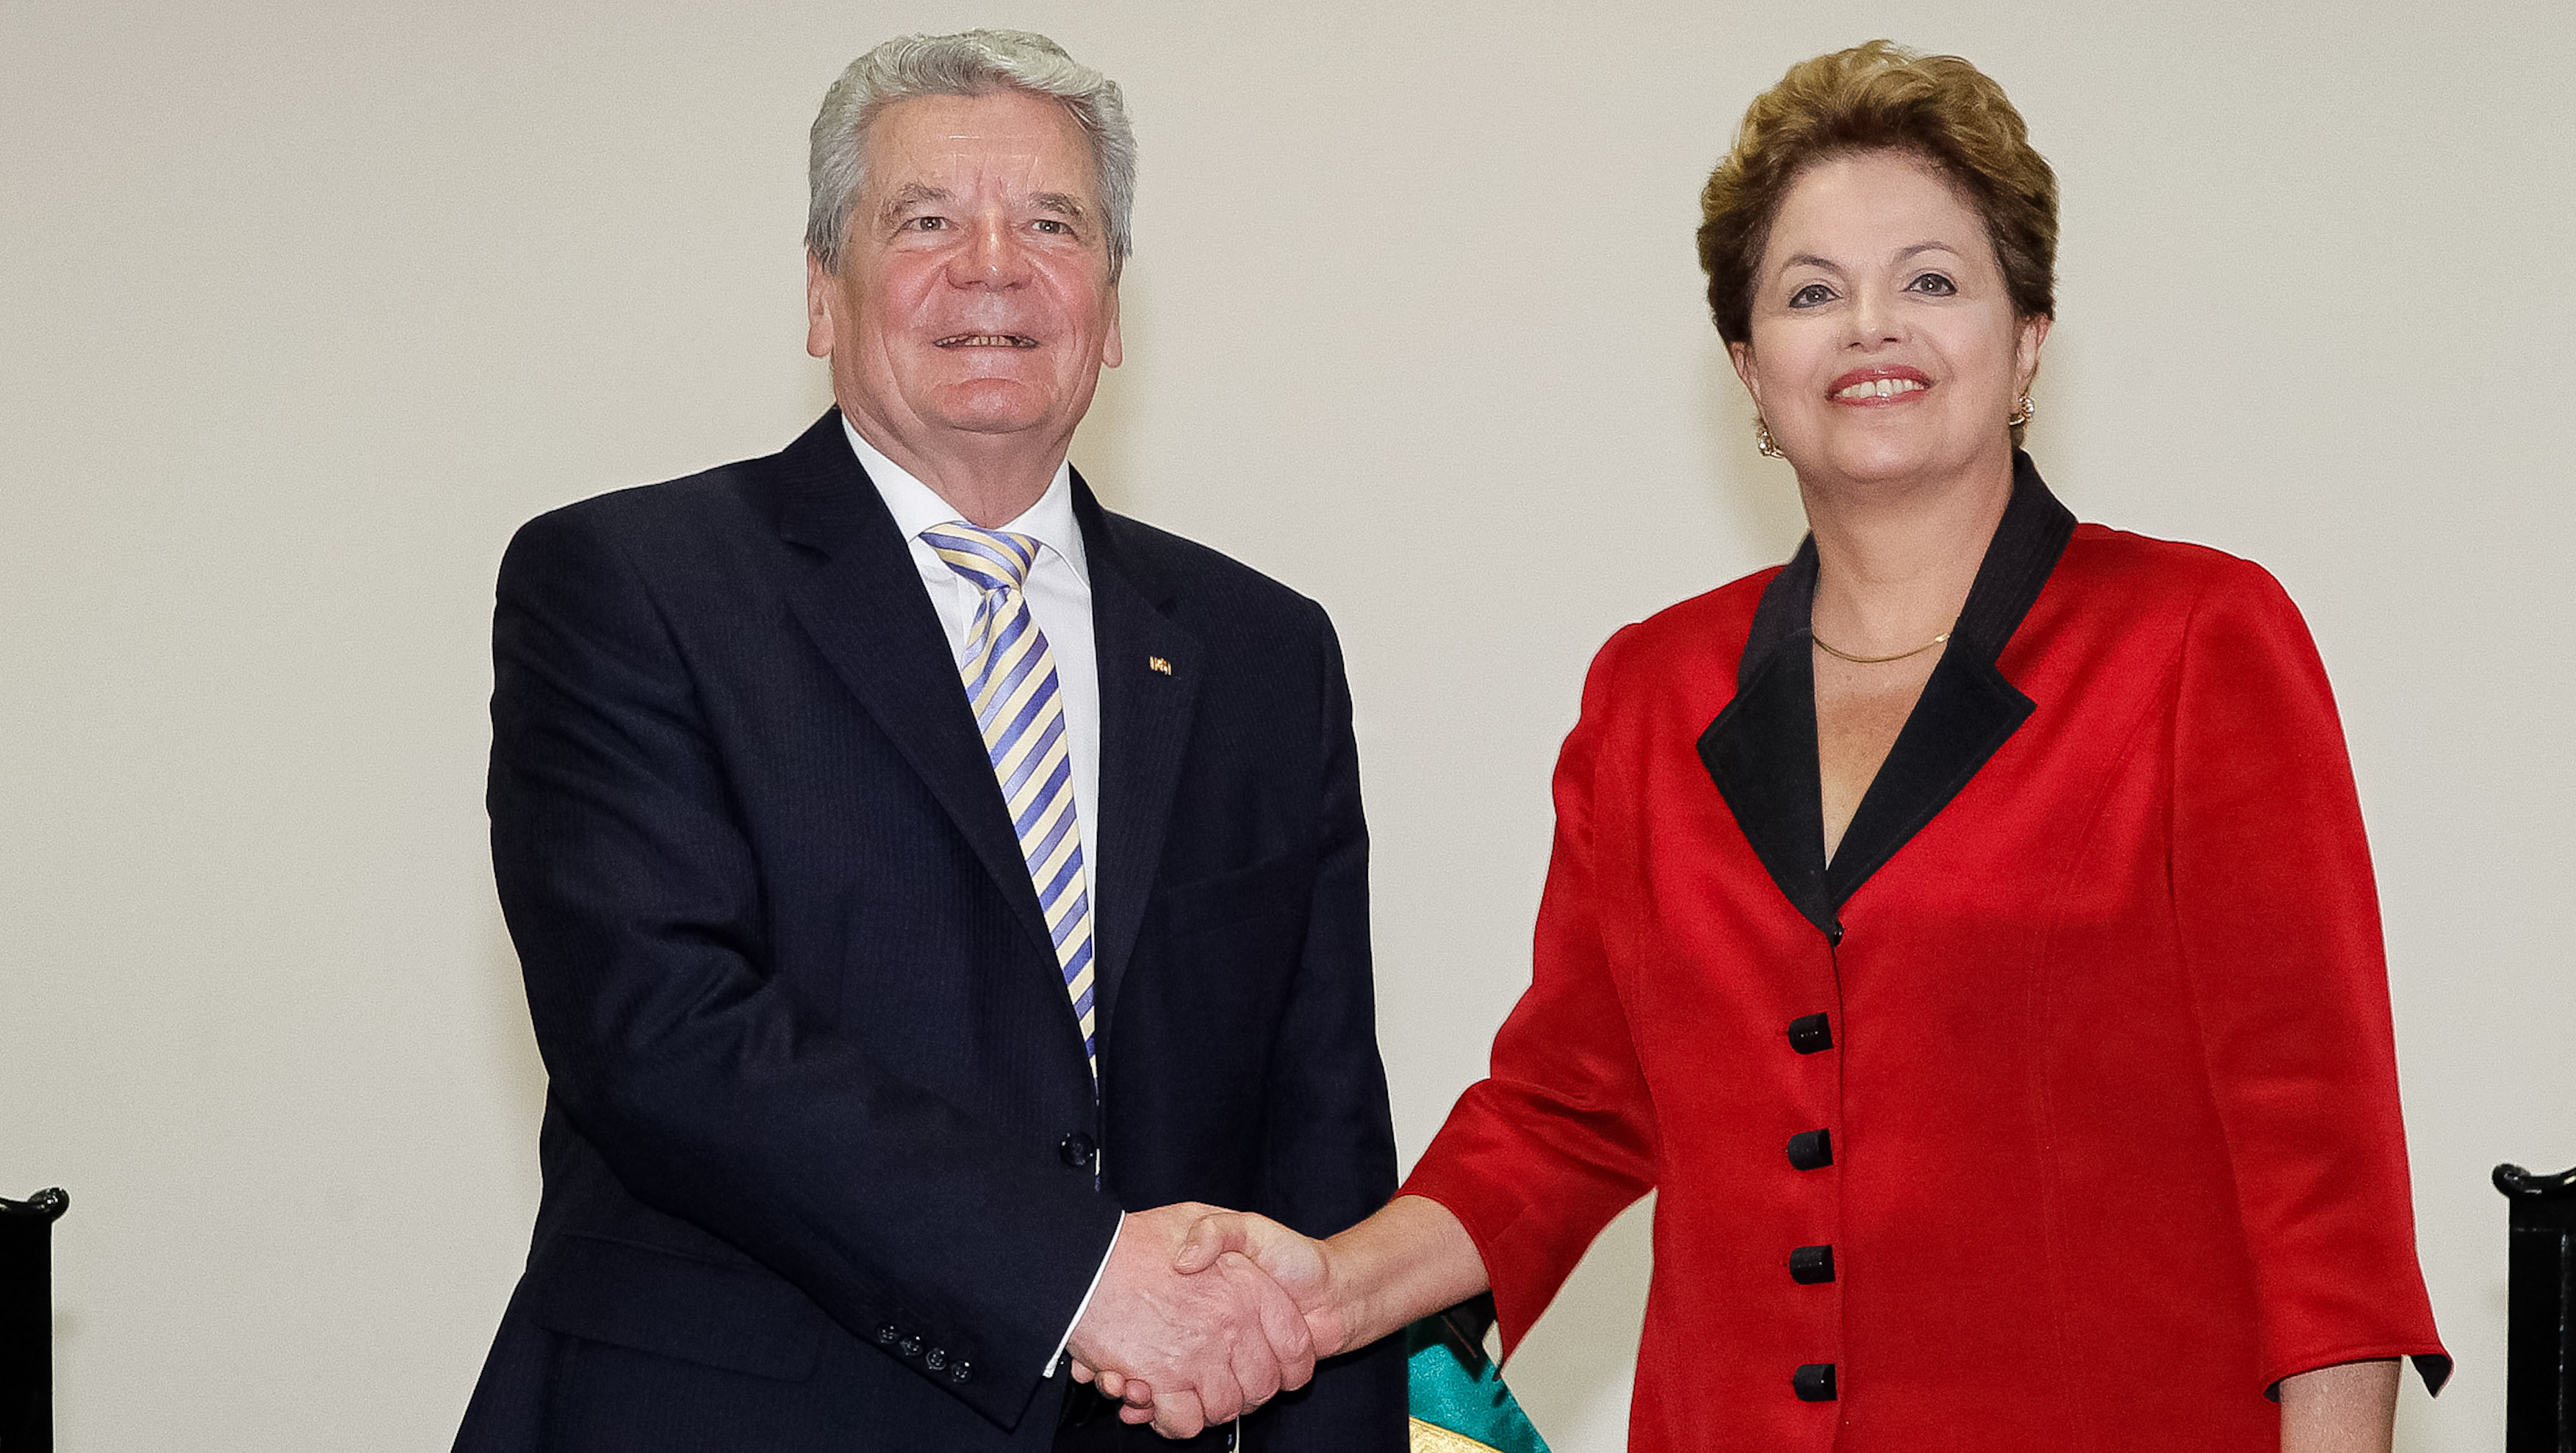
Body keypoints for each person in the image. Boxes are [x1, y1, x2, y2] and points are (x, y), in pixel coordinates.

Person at [1160, 40, 2450, 1452]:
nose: (1868, 328)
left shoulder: (2198, 638)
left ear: (2025, 339)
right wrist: (1330, 1288)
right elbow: (1564, 1115)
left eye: (1931, 280)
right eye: (1810, 292)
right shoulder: (1648, 693)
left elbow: (2319, 1174)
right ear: (1748, 366)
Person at [450, 29, 1406, 1453]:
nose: (993, 268)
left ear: (1113, 301)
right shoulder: (629, 583)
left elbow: (1317, 1116)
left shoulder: (1260, 648)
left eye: (1052, 224)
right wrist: (1076, 1273)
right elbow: (658, 1029)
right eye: (925, 221)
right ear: (824, 294)